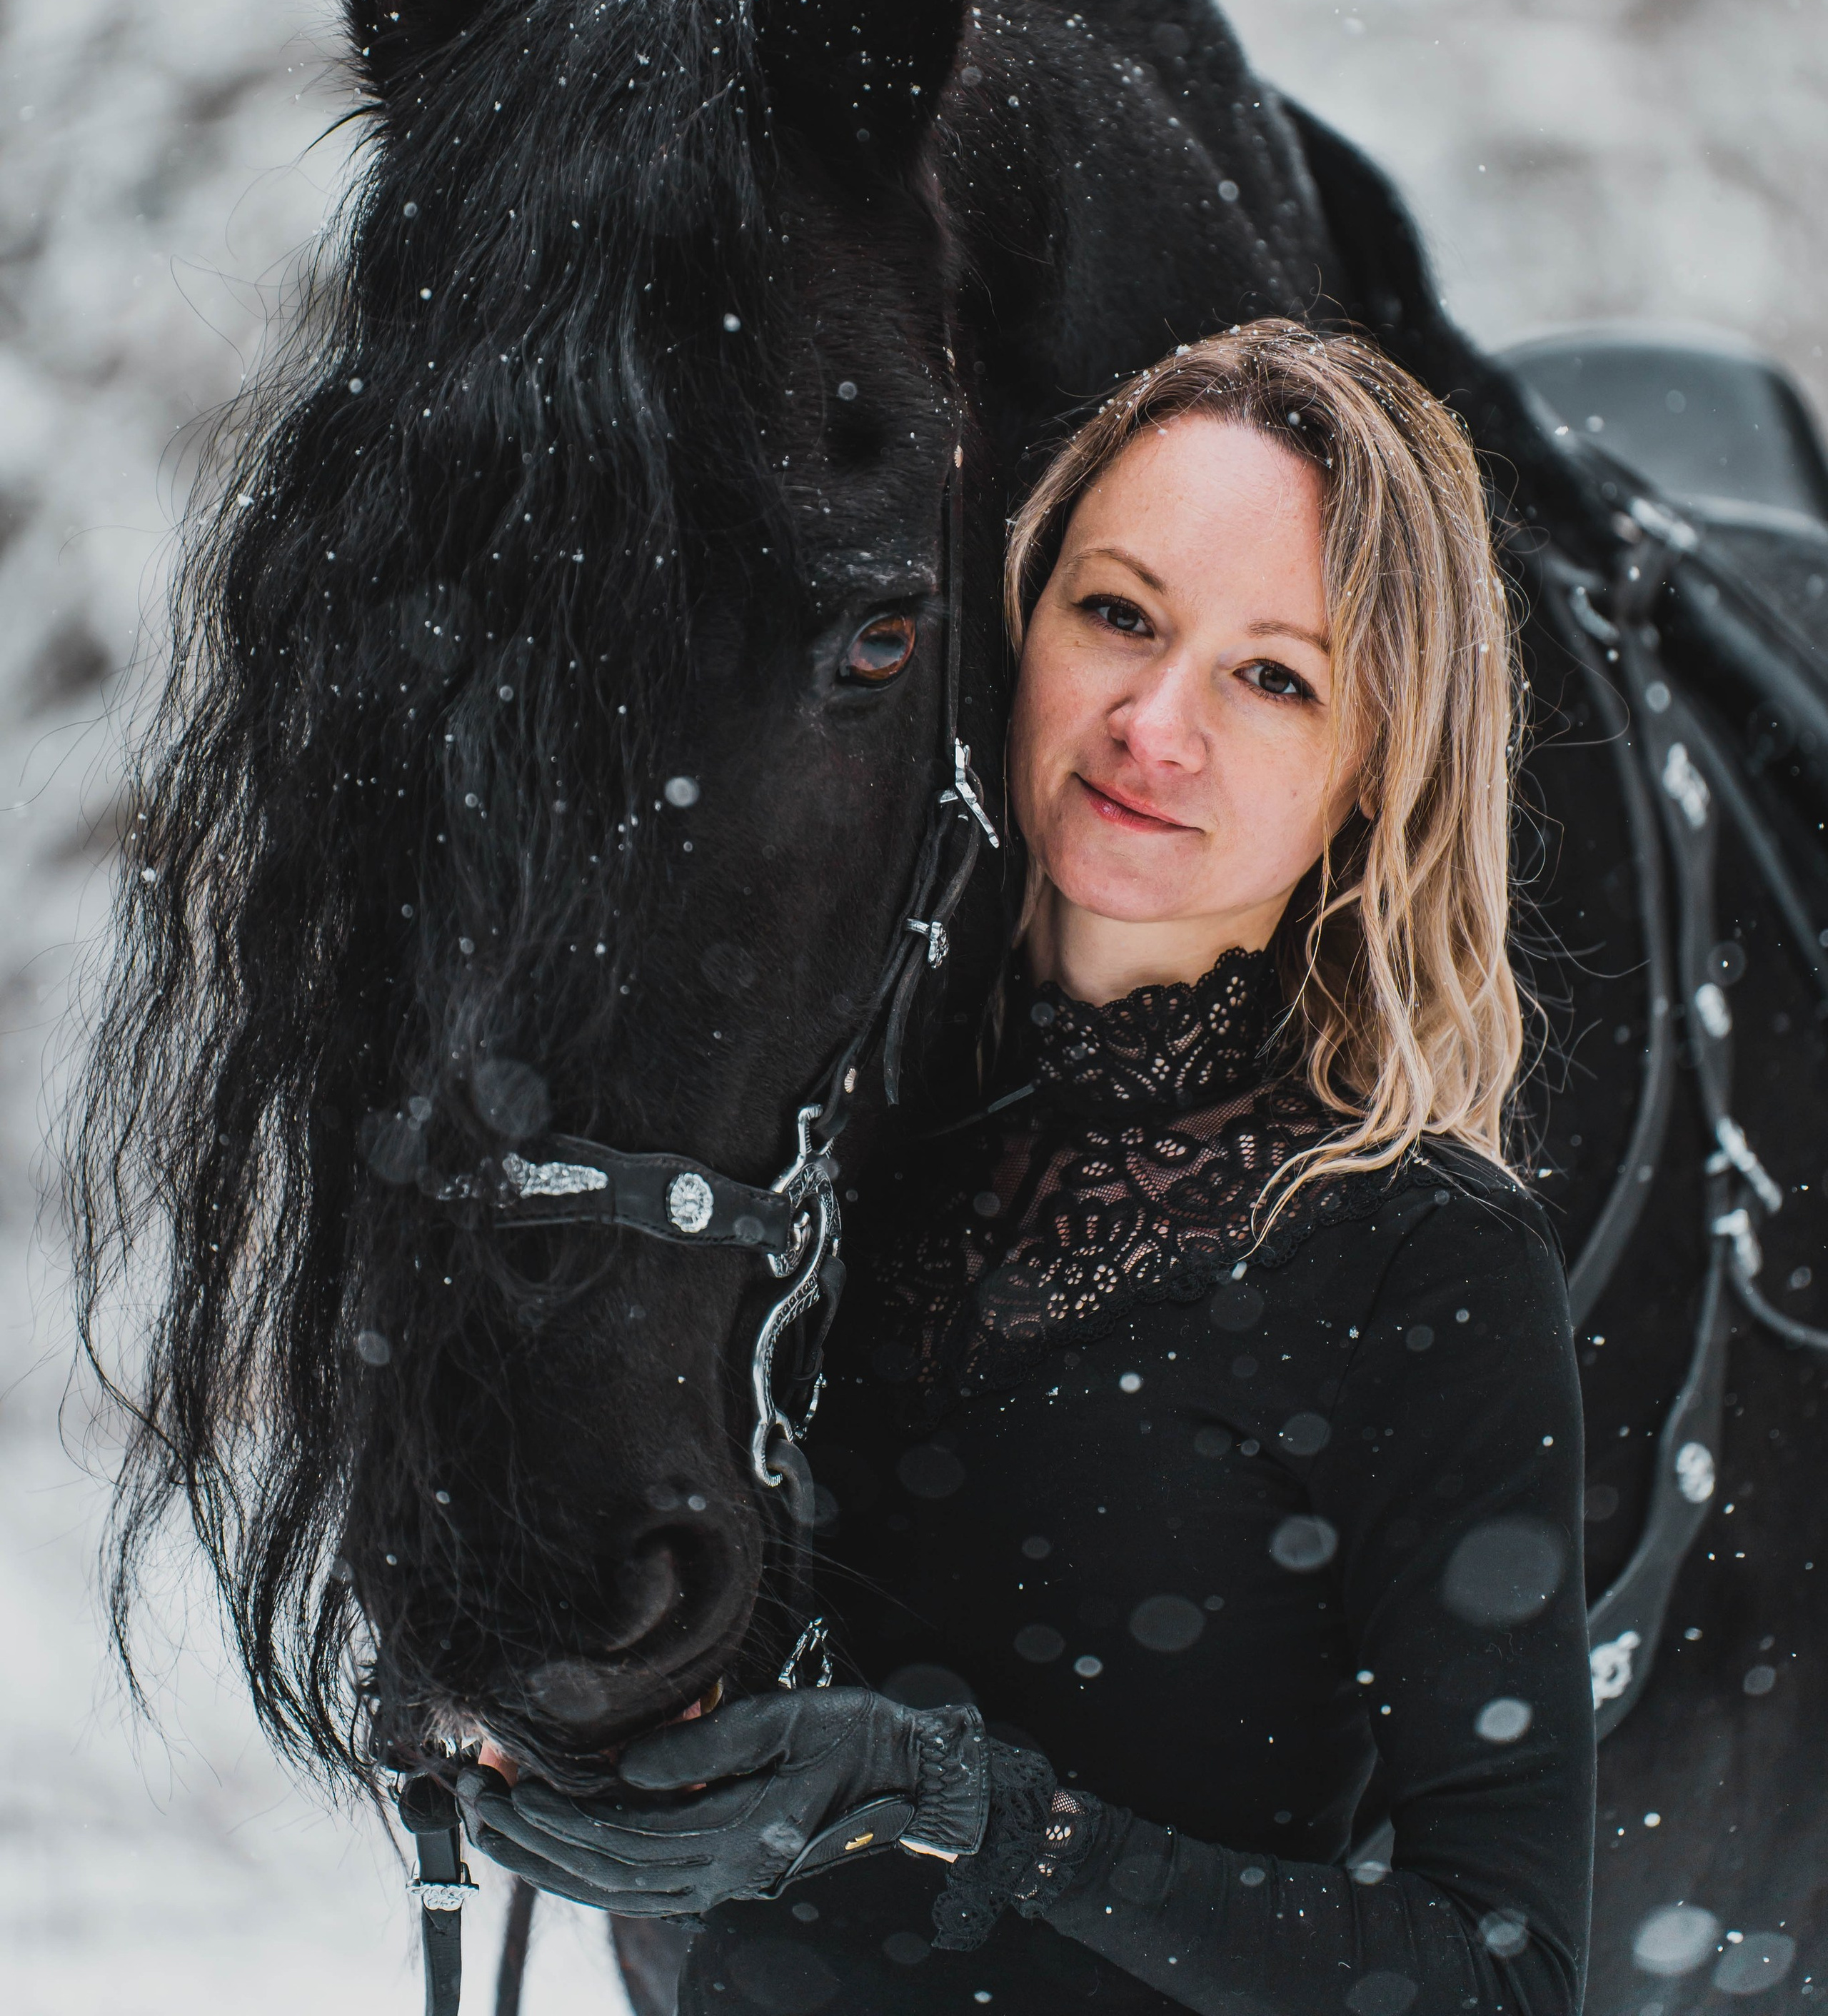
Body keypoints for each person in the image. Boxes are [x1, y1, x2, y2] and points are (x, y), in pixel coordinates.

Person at [465, 319, 1595, 2016]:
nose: (1154, 723)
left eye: (1272, 675)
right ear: (1014, 633)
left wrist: (984, 1818)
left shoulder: (1412, 1257)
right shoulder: (810, 1140)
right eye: (1119, 615)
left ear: (1374, 768)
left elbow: (1496, 1978)